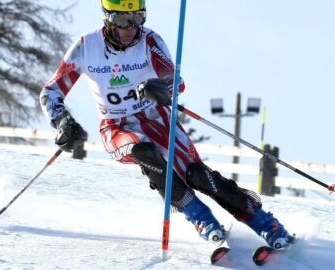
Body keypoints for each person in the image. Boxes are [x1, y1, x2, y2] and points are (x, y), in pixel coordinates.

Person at [40, 0, 293, 249]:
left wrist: (160, 87)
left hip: (156, 119)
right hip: (117, 127)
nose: (130, 28)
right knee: (143, 151)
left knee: (198, 175)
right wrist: (62, 121)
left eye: (138, 19)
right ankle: (201, 218)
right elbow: (51, 92)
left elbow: (176, 81)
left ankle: (265, 224)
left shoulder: (150, 41)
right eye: (122, 20)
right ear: (107, 18)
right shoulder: (86, 47)